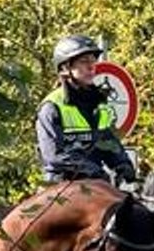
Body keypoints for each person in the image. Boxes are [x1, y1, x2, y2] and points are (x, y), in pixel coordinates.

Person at [36, 34, 138, 186]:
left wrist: (123, 164)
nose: (91, 67)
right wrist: (90, 169)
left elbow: (108, 142)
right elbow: (54, 156)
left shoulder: (98, 104)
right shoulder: (51, 107)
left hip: (96, 184)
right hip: (61, 186)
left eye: (93, 61)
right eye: (84, 62)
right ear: (65, 68)